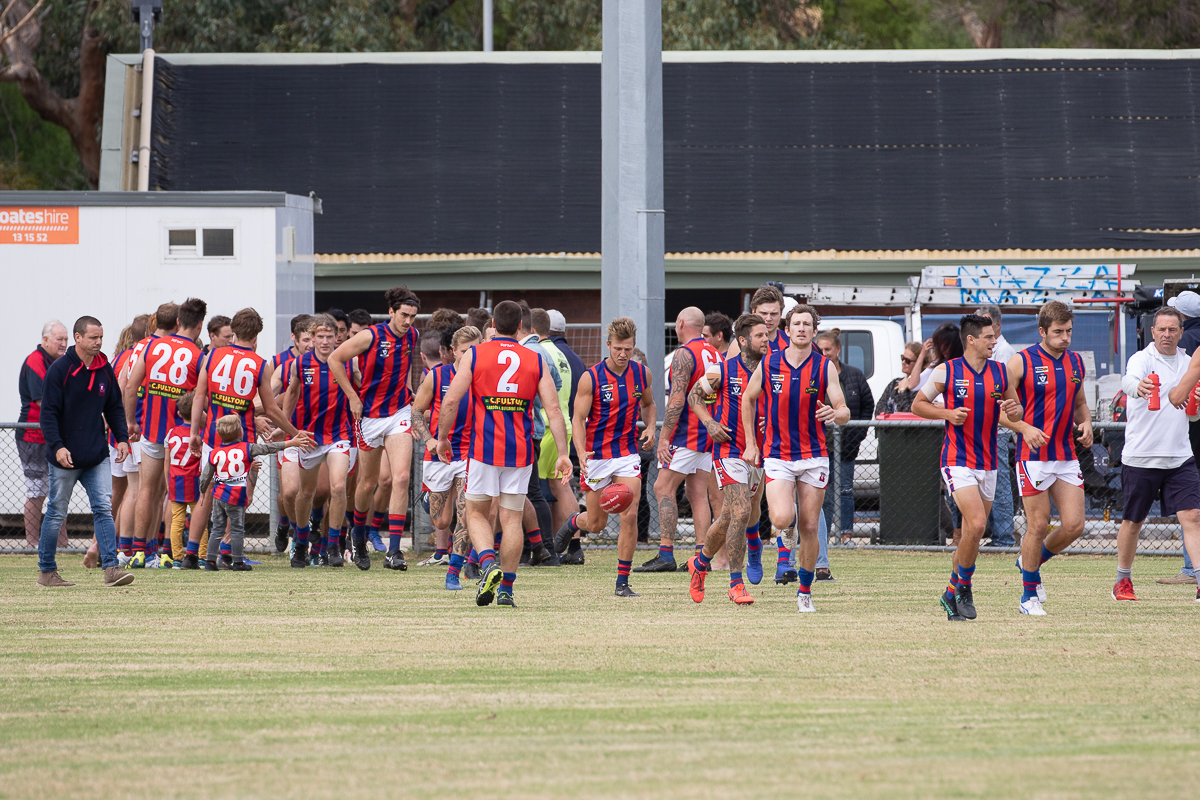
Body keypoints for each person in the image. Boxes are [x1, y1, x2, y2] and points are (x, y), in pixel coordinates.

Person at [435, 300, 572, 608]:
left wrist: (442, 438)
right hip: (521, 449)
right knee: (511, 518)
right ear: (521, 326)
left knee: (476, 514)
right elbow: (553, 409)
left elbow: (451, 401)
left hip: (484, 448)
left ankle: (487, 564)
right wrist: (563, 454)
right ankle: (507, 590)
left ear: (493, 326)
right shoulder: (535, 359)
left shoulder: (474, 355)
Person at [742, 304, 851, 613]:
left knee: (809, 526)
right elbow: (748, 399)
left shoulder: (823, 366)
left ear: (814, 331)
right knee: (780, 518)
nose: (801, 328)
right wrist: (752, 443)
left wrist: (835, 413)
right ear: (787, 330)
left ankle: (804, 592)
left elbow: (844, 410)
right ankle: (784, 533)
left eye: (807, 324)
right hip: (777, 454)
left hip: (814, 456)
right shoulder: (770, 363)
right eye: (796, 323)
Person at [913, 314, 1022, 622]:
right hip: (957, 459)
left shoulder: (1001, 372)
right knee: (974, 525)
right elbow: (918, 404)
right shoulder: (947, 370)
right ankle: (964, 588)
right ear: (971, 340)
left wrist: (1016, 411)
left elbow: (1016, 412)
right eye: (988, 337)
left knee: (971, 535)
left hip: (988, 462)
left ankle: (949, 593)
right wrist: (947, 413)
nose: (994, 341)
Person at [185, 308, 310, 569]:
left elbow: (199, 396)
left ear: (234, 330)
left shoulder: (213, 355)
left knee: (206, 496)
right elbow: (272, 409)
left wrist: (194, 432)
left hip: (213, 436)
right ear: (256, 335)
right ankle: (229, 553)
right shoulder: (259, 364)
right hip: (243, 441)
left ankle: (191, 555)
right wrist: (293, 432)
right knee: (240, 496)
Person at [553, 317, 657, 596]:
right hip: (597, 455)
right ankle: (576, 522)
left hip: (626, 453)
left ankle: (622, 582)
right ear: (608, 345)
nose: (623, 354)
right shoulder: (592, 377)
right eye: (618, 349)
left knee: (629, 514)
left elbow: (649, 404)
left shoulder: (642, 373)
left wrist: (649, 426)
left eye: (628, 349)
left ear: (633, 347)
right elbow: (578, 417)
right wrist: (579, 451)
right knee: (597, 525)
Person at [1006, 301, 1093, 615]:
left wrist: (1086, 423)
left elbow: (1081, 402)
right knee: (1038, 525)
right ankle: (1028, 596)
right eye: (1058, 332)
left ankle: (1029, 562)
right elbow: (999, 409)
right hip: (1033, 456)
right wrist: (1025, 427)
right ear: (1042, 331)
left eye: (1069, 331)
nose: (1065, 337)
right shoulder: (1021, 362)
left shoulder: (1075, 362)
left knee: (1074, 526)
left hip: (1066, 455)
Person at [36, 316, 134, 588]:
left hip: (96, 455)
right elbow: (48, 414)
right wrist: (57, 447)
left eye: (101, 337)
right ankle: (46, 572)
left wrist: (122, 438)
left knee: (104, 508)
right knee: (56, 512)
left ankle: (111, 569)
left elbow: (114, 407)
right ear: (78, 338)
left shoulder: (105, 369)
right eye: (93, 337)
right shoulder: (60, 370)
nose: (99, 342)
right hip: (65, 457)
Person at [329, 286, 421, 572]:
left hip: (399, 413)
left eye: (413, 317)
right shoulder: (370, 336)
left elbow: (403, 369)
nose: (408, 322)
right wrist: (353, 396)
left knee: (401, 477)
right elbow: (335, 360)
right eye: (404, 315)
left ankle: (394, 552)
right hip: (369, 416)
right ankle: (357, 534)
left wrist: (411, 393)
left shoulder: (412, 336)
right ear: (391, 312)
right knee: (367, 483)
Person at [1115, 308, 1200, 602]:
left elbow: (1191, 418)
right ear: (1152, 332)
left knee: (1193, 516)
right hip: (1142, 456)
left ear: (1181, 332)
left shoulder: (1189, 363)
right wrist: (1137, 387)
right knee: (1133, 521)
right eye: (1161, 330)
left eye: (1172, 330)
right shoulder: (1142, 359)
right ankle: (1123, 580)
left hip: (1179, 456)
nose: (1167, 335)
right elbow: (1127, 382)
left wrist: (1196, 405)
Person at [684, 313, 769, 605]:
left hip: (759, 453)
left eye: (767, 334)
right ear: (743, 341)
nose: (765, 339)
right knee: (741, 511)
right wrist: (709, 423)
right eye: (759, 335)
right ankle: (736, 583)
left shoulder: (772, 371)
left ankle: (701, 563)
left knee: (730, 517)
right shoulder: (721, 370)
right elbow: (694, 397)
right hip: (729, 451)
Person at [124, 297, 207, 569]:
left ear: (179, 321)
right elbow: (200, 399)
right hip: (182, 434)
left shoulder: (152, 346)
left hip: (152, 429)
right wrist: (196, 430)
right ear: (201, 324)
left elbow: (130, 386)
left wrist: (130, 422)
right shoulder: (198, 355)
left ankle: (138, 552)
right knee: (174, 493)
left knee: (146, 490)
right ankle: (168, 553)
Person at [641, 306, 722, 573]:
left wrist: (664, 437)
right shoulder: (713, 352)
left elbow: (677, 398)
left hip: (687, 432)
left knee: (662, 488)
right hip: (707, 434)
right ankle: (701, 556)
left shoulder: (685, 353)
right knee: (697, 493)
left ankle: (666, 554)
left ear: (681, 323)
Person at [282, 315, 359, 569]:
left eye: (330, 336)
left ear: (337, 337)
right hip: (309, 438)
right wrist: (286, 429)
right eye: (320, 336)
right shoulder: (300, 364)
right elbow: (291, 396)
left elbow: (361, 389)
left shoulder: (347, 361)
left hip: (339, 435)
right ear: (312, 338)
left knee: (338, 488)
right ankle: (302, 543)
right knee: (306, 493)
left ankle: (334, 543)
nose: (326, 341)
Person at [411, 326, 482, 589]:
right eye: (465, 351)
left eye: (475, 349)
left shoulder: (482, 377)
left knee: (466, 514)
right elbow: (416, 412)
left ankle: (454, 572)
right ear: (453, 352)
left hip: (470, 455)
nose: (470, 355)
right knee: (441, 520)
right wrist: (429, 440)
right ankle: (431, 497)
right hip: (439, 456)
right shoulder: (437, 376)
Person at [199, 415, 302, 571]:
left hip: (218, 495)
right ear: (241, 432)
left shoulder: (215, 452)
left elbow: (206, 475)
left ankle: (210, 561)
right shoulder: (247, 448)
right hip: (235, 496)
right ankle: (238, 562)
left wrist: (202, 491)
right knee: (237, 529)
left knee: (217, 529)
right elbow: (268, 449)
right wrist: (291, 443)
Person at [815, 329, 873, 553]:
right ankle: (825, 536)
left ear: (838, 350)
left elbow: (868, 405)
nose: (824, 353)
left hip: (847, 447)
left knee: (846, 491)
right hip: (822, 446)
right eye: (820, 350)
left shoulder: (854, 375)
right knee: (825, 495)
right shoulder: (817, 374)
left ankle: (846, 534)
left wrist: (857, 435)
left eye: (828, 349)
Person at [516, 302, 563, 566]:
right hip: (534, 429)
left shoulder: (530, 353)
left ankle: (544, 549)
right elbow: (553, 385)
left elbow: (549, 391)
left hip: (527, 428)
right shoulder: (542, 351)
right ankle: (535, 548)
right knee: (528, 491)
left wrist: (528, 400)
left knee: (530, 492)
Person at [1160, 290, 1200, 585]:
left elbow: (1176, 393)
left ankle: (1190, 568)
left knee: (1189, 498)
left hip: (1189, 431)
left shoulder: (1186, 342)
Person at [18, 319, 68, 549]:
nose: (64, 343)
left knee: (60, 489)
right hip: (34, 436)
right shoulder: (36, 361)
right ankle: (32, 542)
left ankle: (63, 542)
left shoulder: (61, 363)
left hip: (54, 435)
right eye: (60, 339)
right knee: (37, 490)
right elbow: (43, 401)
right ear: (45, 340)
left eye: (66, 339)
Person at [270, 314, 315, 553]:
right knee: (288, 493)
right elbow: (264, 399)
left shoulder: (328, 362)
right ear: (294, 339)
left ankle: (305, 542)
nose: (311, 344)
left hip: (317, 436)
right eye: (306, 339)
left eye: (314, 338)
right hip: (289, 435)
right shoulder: (280, 363)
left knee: (318, 492)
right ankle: (283, 523)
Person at [533, 308, 577, 537]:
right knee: (559, 487)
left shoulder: (540, 352)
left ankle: (542, 544)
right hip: (563, 424)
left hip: (549, 426)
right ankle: (572, 544)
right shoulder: (561, 353)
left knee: (533, 490)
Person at [976, 304, 1017, 548]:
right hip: (983, 430)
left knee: (999, 481)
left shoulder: (1004, 352)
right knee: (986, 482)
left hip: (998, 430)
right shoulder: (984, 350)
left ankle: (1004, 537)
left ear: (998, 325)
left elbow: (1004, 395)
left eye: (986, 322)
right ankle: (995, 533)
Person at [166, 391, 208, 568]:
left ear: (178, 413)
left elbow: (167, 459)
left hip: (176, 479)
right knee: (201, 519)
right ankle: (201, 555)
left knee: (177, 520)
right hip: (195, 480)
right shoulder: (200, 434)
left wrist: (166, 480)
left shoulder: (171, 433)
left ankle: (177, 557)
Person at [546, 309, 587, 418]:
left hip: (551, 427)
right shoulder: (578, 360)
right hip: (573, 427)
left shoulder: (544, 355)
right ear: (564, 331)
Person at [875, 341, 923, 416]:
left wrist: (902, 391)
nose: (903, 362)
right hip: (889, 427)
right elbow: (878, 409)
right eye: (902, 358)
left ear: (918, 363)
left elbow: (908, 414)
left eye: (907, 361)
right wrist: (892, 419)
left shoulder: (921, 387)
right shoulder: (895, 383)